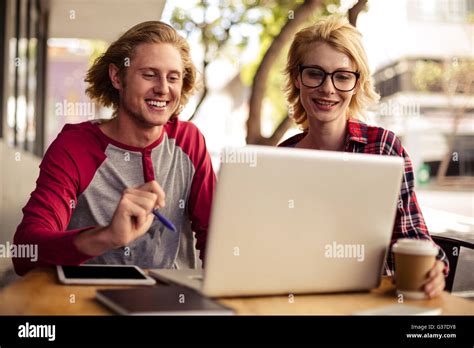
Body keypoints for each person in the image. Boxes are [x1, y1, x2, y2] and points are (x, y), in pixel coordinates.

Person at [13, 21, 215, 275]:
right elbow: (24, 250)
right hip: (92, 302)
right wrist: (107, 236)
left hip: (173, 303)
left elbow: (215, 235)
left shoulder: (189, 141)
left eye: (173, 77)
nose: (163, 88)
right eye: (149, 74)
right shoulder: (75, 147)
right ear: (117, 77)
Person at [279, 16, 448, 298]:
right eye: (315, 73)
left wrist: (432, 269)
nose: (328, 88)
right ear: (297, 78)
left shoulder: (382, 148)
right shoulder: (281, 158)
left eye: (343, 76)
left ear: (357, 84)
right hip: (295, 297)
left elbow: (413, 236)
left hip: (365, 300)